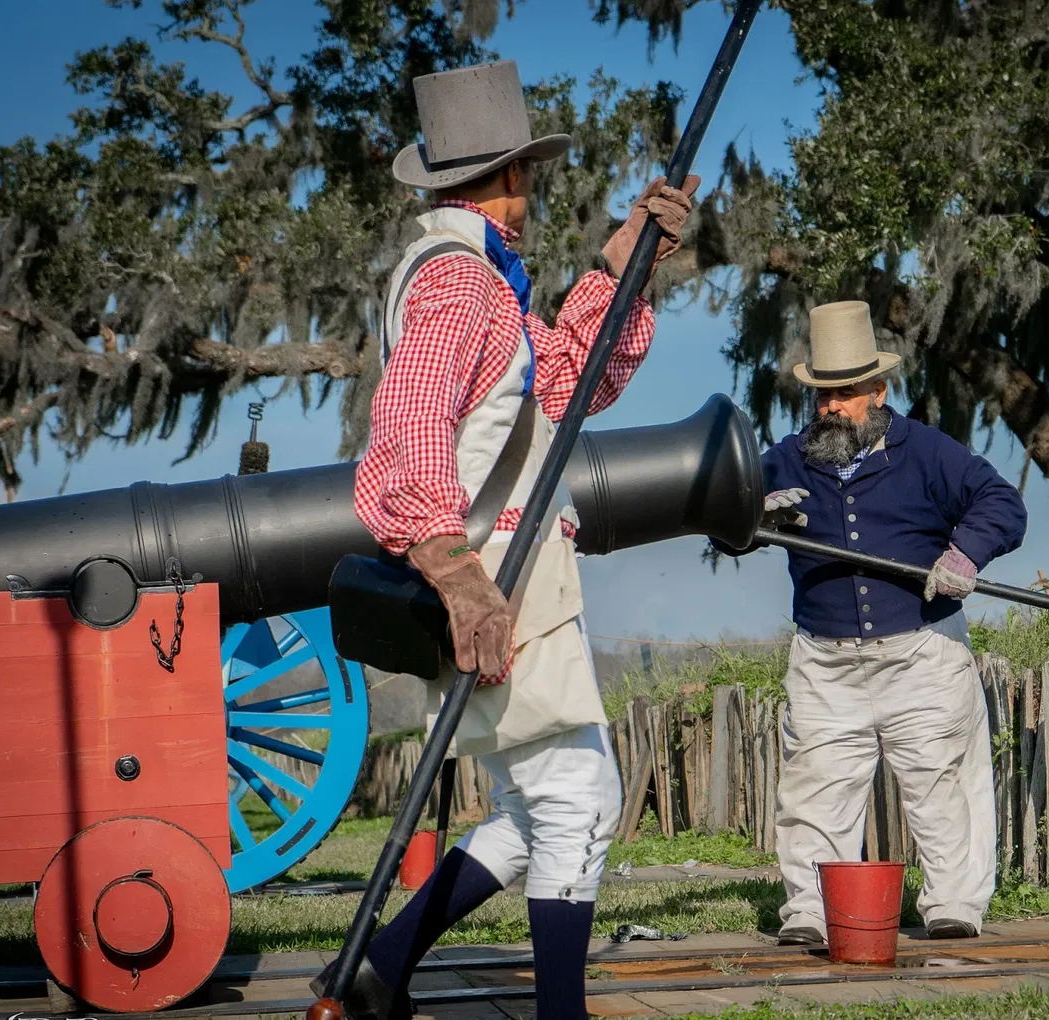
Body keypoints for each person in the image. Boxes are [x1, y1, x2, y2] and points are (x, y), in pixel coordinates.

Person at [310, 60, 697, 1020]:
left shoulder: (477, 280)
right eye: (528, 176)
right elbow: (403, 431)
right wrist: (455, 572)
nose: (532, 195)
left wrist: (621, 267)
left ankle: (377, 969)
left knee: (537, 811)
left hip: (513, 577)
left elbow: (563, 391)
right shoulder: (458, 284)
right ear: (509, 178)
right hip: (500, 581)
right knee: (580, 803)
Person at [725, 300, 1027, 945]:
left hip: (921, 653)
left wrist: (963, 553)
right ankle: (809, 909)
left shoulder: (928, 451)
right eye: (822, 395)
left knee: (940, 782)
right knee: (814, 791)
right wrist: (754, 517)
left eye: (844, 394)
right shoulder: (786, 458)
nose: (830, 407)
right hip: (824, 661)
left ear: (877, 391)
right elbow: (725, 523)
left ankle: (954, 905)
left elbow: (1001, 502)